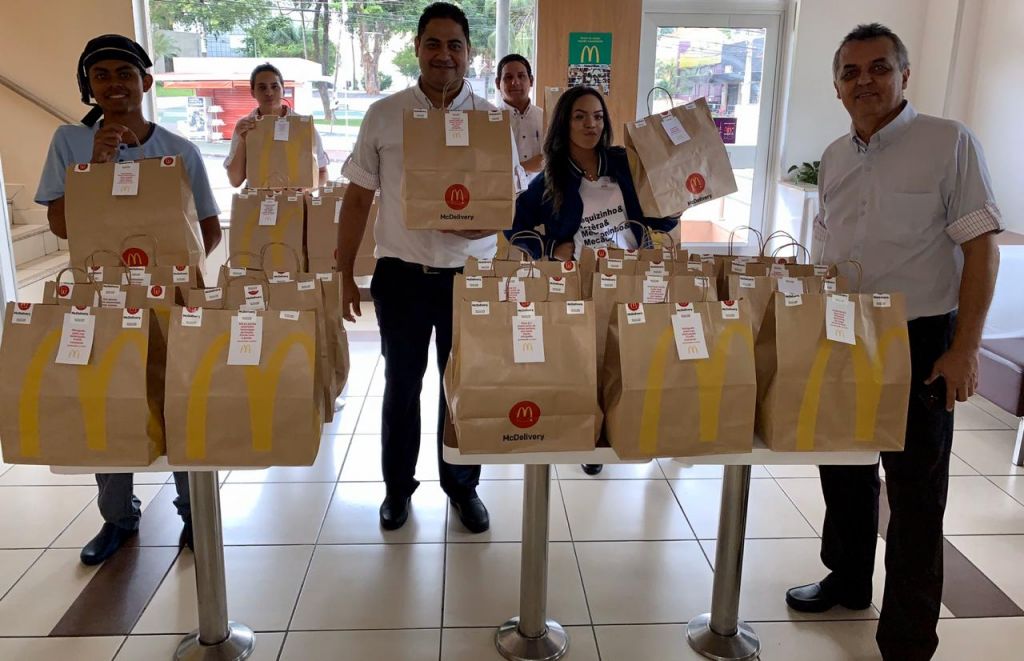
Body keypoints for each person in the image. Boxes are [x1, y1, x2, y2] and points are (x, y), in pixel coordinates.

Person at [784, 24, 1001, 661]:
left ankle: (907, 637)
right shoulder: (833, 155)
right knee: (844, 470)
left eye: (879, 68)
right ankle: (848, 581)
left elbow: (980, 248)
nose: (865, 81)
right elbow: (828, 244)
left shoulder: (948, 143)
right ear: (837, 86)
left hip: (920, 335)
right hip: (845, 331)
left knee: (914, 490)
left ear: (906, 76)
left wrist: (965, 349)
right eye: (851, 72)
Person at [35, 34, 222, 565]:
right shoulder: (69, 143)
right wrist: (94, 169)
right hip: (100, 298)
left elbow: (207, 230)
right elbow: (61, 225)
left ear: (146, 82)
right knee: (106, 398)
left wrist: (170, 273)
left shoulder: (180, 151)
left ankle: (194, 513)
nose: (113, 84)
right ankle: (117, 517)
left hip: (171, 301)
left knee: (181, 399)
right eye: (101, 75)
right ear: (87, 86)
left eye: (124, 73)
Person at [336, 2, 507, 533]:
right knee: (402, 385)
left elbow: (509, 204)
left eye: (455, 44)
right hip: (403, 276)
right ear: (416, 48)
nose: (444, 55)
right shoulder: (385, 115)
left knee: (463, 389)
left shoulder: (490, 120)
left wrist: (487, 224)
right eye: (433, 43)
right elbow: (359, 198)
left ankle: (462, 487)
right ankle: (396, 489)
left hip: (471, 280)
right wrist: (344, 271)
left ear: (469, 52)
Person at [508, 86, 679, 476]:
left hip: (636, 274)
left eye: (598, 116)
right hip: (584, 282)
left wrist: (676, 203)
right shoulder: (551, 175)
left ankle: (639, 425)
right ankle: (593, 433)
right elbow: (513, 224)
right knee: (591, 359)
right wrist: (550, 247)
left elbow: (659, 217)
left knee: (639, 356)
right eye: (581, 116)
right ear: (565, 122)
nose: (591, 124)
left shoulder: (622, 163)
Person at [224, 62, 330, 188]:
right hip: (258, 204)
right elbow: (235, 181)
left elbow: (322, 173)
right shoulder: (246, 127)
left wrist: (306, 190)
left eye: (275, 87)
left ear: (283, 90)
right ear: (253, 92)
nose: (269, 92)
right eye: (262, 87)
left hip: (295, 204)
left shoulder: (303, 127)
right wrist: (242, 141)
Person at [496, 53, 543, 184]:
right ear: (497, 83)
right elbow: (488, 167)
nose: (515, 82)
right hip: (504, 193)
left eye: (521, 76)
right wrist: (525, 167)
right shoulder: (490, 121)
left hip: (541, 195)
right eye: (508, 77)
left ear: (531, 80)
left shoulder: (546, 117)